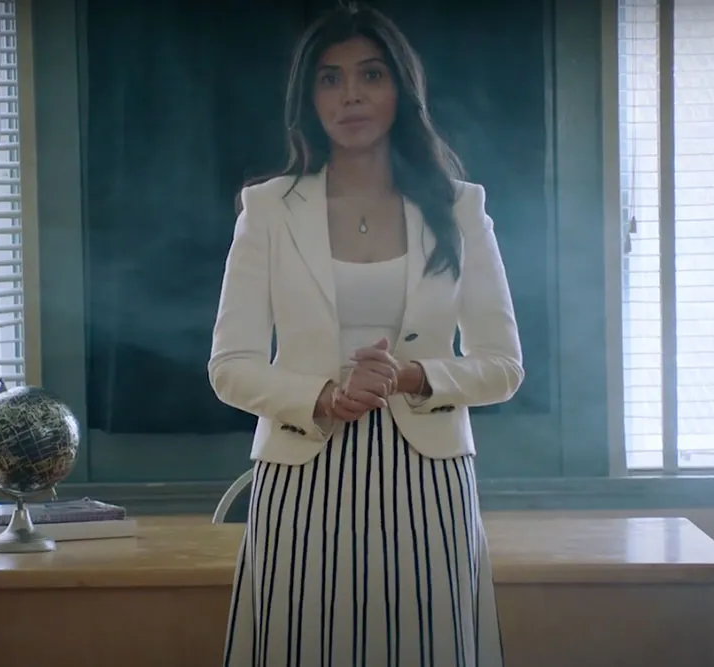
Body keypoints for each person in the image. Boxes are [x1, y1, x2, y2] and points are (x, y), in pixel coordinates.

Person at [208, 4, 523, 666]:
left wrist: (415, 375)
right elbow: (230, 366)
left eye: (370, 74)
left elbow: (501, 365)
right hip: (303, 472)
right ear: (309, 98)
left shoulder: (460, 208)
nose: (350, 94)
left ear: (400, 90)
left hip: (427, 475)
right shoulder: (267, 209)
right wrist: (323, 394)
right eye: (329, 79)